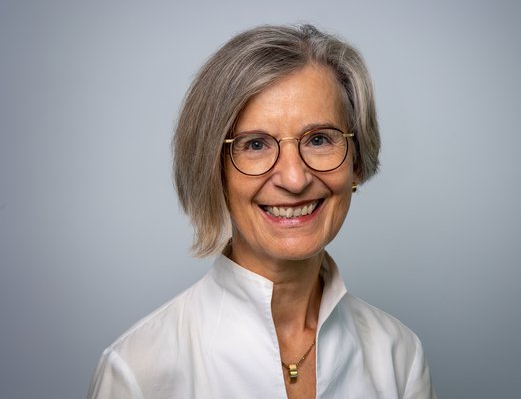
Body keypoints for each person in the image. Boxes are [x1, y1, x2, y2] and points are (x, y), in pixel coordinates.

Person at [88, 24, 436, 399]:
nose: (294, 179)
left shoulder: (398, 357)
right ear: (214, 172)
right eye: (255, 144)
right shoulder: (139, 371)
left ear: (356, 163)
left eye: (319, 139)